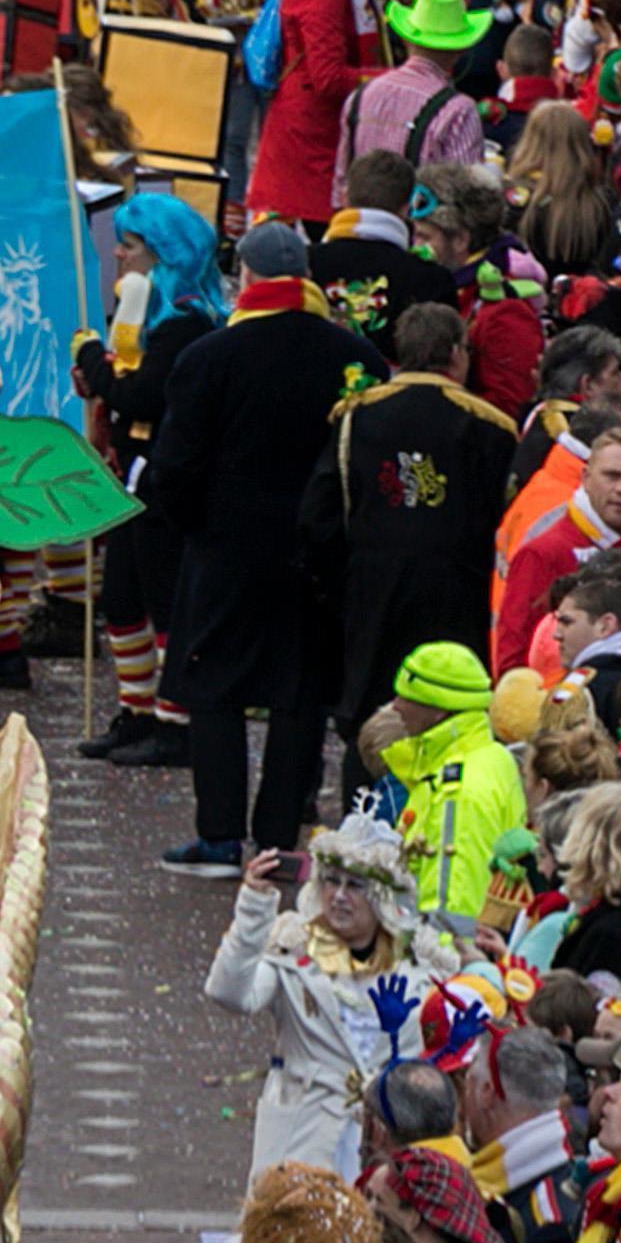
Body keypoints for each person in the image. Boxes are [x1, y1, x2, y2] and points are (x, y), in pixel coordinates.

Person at [143, 218, 363, 872]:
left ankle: (217, 836)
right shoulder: (349, 356)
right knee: (299, 693)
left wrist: (197, 525)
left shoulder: (210, 356)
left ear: (246, 276)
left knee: (216, 686)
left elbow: (173, 467)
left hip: (227, 546)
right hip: (312, 550)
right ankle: (276, 839)